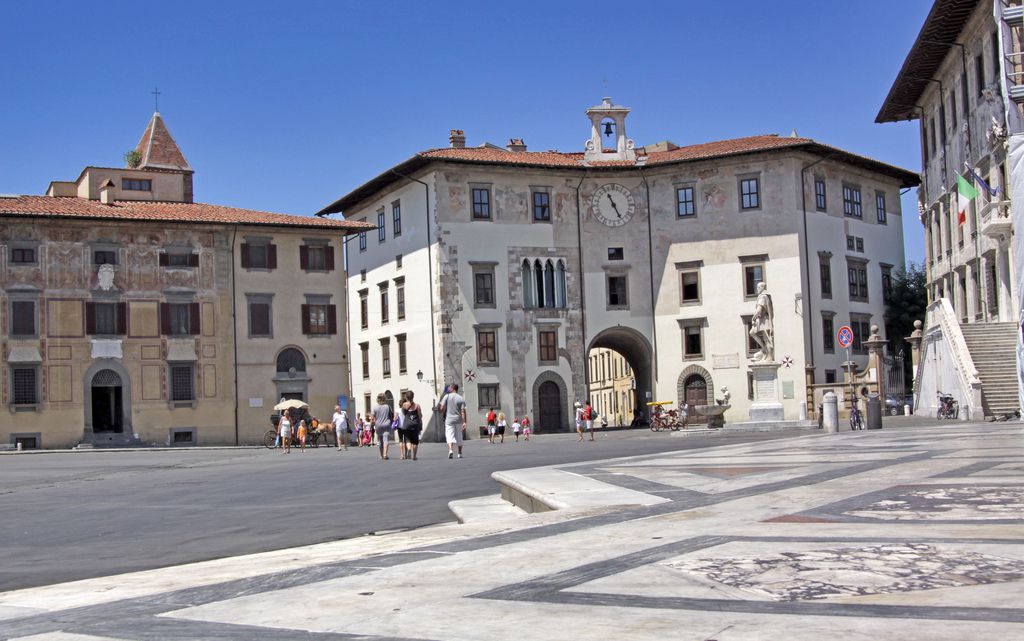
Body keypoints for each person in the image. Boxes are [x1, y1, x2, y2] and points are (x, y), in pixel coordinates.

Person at [437, 383, 467, 459]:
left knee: (449, 435)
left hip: (449, 420)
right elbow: (463, 411)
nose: (448, 389)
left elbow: (441, 408)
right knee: (459, 436)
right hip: (458, 420)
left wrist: (440, 409)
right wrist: (464, 422)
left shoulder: (447, 396)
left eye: (450, 387)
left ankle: (450, 450)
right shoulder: (461, 398)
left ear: (453, 388)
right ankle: (459, 453)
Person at [749, 281, 775, 362]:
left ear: (762, 288)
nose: (757, 289)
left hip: (764, 320)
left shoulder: (763, 297)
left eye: (758, 287)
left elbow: (759, 310)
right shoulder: (764, 296)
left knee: (767, 338)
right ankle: (764, 349)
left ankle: (769, 357)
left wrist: (753, 318)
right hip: (761, 320)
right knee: (752, 332)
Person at [401, 391, 423, 461]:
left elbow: (403, 413)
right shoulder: (417, 406)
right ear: (413, 396)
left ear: (406, 397)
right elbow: (420, 416)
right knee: (415, 441)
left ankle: (409, 449)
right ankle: (414, 456)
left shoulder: (404, 405)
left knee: (407, 439)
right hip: (415, 425)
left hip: (407, 424)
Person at [371, 394, 394, 460]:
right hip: (386, 424)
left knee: (381, 441)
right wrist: (392, 423)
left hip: (378, 425)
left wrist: (371, 425)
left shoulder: (374, 407)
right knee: (386, 439)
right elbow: (391, 416)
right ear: (385, 399)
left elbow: (372, 418)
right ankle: (385, 454)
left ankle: (381, 455)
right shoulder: (388, 406)